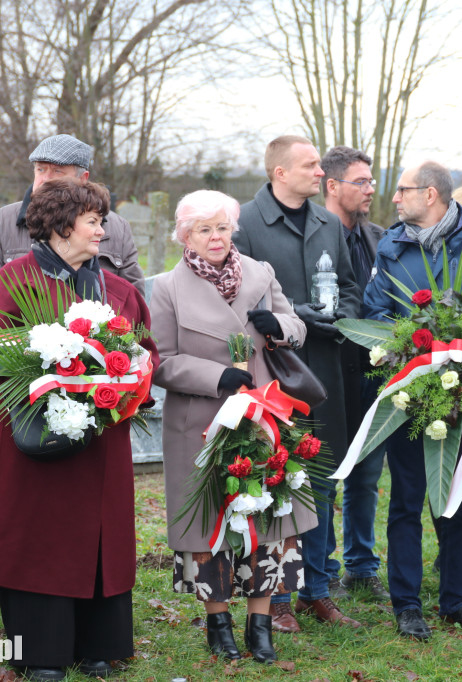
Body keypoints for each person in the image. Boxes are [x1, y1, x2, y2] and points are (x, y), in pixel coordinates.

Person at [0, 178, 157, 681]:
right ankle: (42, 652)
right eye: (93, 220)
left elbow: (147, 353)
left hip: (101, 440)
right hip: (36, 440)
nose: (103, 229)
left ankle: (98, 645)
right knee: (40, 540)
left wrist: (123, 381)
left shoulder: (118, 289)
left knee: (98, 536)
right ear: (60, 224)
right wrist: (57, 381)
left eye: (102, 220)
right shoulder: (14, 280)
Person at [151, 189, 316, 663]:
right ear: (186, 236)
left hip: (264, 417)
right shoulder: (167, 287)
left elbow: (296, 326)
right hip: (202, 422)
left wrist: (280, 326)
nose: (216, 237)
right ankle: (218, 623)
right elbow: (160, 361)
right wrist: (214, 376)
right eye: (204, 229)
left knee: (268, 516)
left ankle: (259, 623)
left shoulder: (260, 274)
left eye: (222, 227)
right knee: (211, 522)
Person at [364, 160, 462, 640]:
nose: (394, 198)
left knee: (457, 500)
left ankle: (456, 602)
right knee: (406, 499)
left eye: (402, 190)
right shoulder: (392, 244)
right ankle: (407, 604)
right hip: (409, 389)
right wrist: (408, 349)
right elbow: (377, 310)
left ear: (430, 194)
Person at [233, 135, 363, 632]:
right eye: (310, 165)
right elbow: (241, 301)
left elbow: (349, 286)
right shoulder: (245, 223)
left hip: (325, 367)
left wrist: (342, 316)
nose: (319, 172)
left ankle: (318, 589)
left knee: (323, 478)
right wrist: (300, 318)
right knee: (277, 476)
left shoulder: (330, 223)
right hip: (273, 369)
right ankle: (277, 595)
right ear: (279, 173)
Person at [320, 145, 388, 601]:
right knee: (325, 472)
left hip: (371, 371)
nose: (370, 190)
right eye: (360, 182)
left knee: (366, 473)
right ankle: (321, 566)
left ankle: (361, 564)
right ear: (332, 186)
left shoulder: (377, 237)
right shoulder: (314, 235)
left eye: (371, 181)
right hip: (326, 369)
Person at [0, 133, 144, 304]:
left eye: (57, 171)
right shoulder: (2, 222)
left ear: (82, 179)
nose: (45, 179)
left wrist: (99, 327)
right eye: (40, 169)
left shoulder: (117, 228)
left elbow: (134, 299)